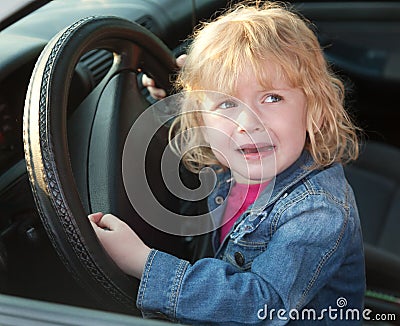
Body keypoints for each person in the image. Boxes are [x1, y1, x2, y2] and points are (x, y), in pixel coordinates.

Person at [89, 1, 365, 324]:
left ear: (314, 111)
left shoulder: (317, 210)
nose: (248, 123)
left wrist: (143, 261)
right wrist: (177, 91)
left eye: (272, 98)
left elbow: (260, 307)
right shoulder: (236, 155)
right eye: (227, 104)